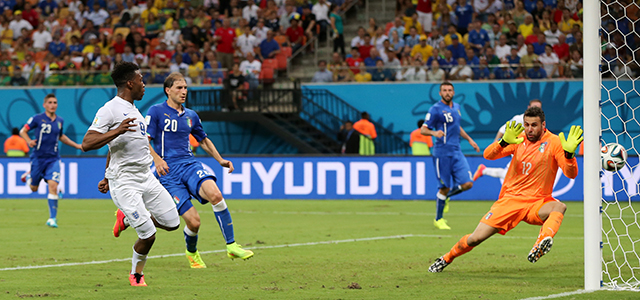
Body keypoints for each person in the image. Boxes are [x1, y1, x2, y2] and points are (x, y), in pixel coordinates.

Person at [428, 107, 583, 272]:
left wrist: (569, 155)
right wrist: (503, 142)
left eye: (534, 125)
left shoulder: (555, 142)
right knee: (475, 238)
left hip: (537, 203)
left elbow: (570, 174)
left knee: (559, 207)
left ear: (543, 125)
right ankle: (446, 258)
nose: (529, 129)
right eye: (527, 124)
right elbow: (488, 155)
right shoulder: (518, 139)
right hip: (509, 201)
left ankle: (541, 243)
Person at [136, 72, 254, 268]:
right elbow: (143, 140)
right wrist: (156, 159)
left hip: (190, 165)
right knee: (194, 222)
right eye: (179, 88)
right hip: (168, 172)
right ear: (168, 90)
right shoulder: (156, 111)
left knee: (215, 194)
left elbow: (203, 140)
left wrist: (220, 160)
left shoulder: (191, 115)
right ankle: (191, 252)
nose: (184, 92)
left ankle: (232, 245)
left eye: (185, 88)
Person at [83, 62, 181, 286]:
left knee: (173, 221)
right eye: (141, 80)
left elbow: (116, 146)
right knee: (148, 233)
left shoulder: (134, 110)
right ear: (130, 83)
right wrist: (116, 131)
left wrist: (105, 174)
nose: (144, 84)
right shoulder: (110, 109)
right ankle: (136, 274)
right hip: (125, 182)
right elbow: (86, 143)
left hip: (146, 176)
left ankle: (126, 219)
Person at [421, 82, 480, 230]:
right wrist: (434, 133)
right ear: (440, 93)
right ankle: (438, 219)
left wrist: (469, 139)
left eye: (450, 90)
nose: (447, 93)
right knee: (444, 187)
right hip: (442, 153)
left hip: (457, 151)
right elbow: (423, 129)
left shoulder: (457, 107)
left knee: (468, 183)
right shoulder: (435, 109)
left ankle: (446, 197)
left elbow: (456, 126)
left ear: (453, 92)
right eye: (444, 90)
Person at [19, 94, 83, 228]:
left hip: (53, 159)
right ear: (44, 105)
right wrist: (29, 141)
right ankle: (30, 177)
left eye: (55, 102)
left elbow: (61, 137)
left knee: (53, 186)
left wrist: (77, 145)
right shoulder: (37, 118)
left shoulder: (60, 121)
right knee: (34, 188)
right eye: (50, 102)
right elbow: (23, 131)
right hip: (38, 157)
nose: (53, 105)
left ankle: (52, 218)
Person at [473, 99, 542, 181]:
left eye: (538, 108)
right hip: (518, 150)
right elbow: (503, 129)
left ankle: (484, 170)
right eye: (534, 107)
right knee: (518, 175)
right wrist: (495, 143)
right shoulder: (519, 119)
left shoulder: (541, 121)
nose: (536, 110)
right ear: (528, 107)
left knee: (513, 175)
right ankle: (484, 170)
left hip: (531, 152)